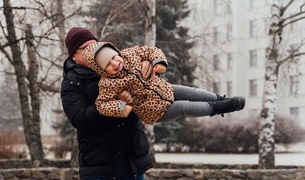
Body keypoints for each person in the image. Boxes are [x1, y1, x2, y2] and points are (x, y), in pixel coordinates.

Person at [60, 27, 154, 180]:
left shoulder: (117, 64)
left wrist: (150, 65)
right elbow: (79, 118)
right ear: (74, 55)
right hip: (98, 162)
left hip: (132, 160)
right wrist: (113, 104)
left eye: (95, 44)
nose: (93, 49)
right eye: (86, 47)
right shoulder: (71, 83)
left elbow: (146, 58)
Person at [82, 41, 245, 124]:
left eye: (113, 58)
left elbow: (150, 50)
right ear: (102, 70)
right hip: (154, 111)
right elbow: (102, 104)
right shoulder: (108, 83)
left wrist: (157, 62)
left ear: (116, 52)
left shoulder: (130, 54)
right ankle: (221, 107)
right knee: (184, 107)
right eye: (108, 65)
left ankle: (223, 99)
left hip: (164, 89)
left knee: (192, 92)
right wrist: (121, 107)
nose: (115, 64)